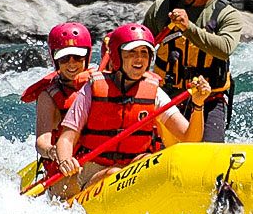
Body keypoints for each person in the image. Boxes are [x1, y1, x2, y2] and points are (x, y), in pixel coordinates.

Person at [52, 23, 211, 197]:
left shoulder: (154, 93)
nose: (139, 59)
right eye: (132, 53)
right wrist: (65, 161)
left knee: (150, 162)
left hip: (134, 168)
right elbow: (67, 138)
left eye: (144, 53)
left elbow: (190, 138)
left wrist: (198, 104)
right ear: (117, 57)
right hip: (94, 169)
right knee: (113, 175)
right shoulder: (92, 88)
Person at [142, 0, 243, 142]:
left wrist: (188, 28)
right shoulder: (161, 9)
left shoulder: (227, 15)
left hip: (209, 100)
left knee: (208, 155)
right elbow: (142, 50)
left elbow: (224, 49)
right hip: (166, 98)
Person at [22, 22, 95, 194]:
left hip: (98, 160)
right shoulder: (48, 96)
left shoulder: (99, 82)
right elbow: (41, 141)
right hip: (67, 167)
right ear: (55, 60)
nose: (72, 64)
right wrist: (53, 151)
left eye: (77, 57)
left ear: (87, 56)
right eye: (64, 58)